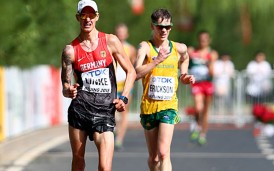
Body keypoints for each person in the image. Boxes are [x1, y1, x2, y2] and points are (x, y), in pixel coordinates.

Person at [60, 0, 136, 170]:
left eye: (91, 15)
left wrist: (123, 97)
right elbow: (65, 85)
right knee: (78, 160)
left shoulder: (110, 41)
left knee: (104, 167)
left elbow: (131, 71)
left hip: (105, 111)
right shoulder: (70, 50)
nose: (88, 19)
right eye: (83, 15)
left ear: (97, 17)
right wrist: (68, 91)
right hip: (80, 110)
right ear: (77, 18)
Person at [135, 8, 194, 171]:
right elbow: (135, 73)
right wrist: (156, 61)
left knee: (163, 153)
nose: (164, 30)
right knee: (154, 159)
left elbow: (185, 57)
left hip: (168, 106)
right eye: (159, 26)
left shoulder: (179, 47)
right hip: (149, 106)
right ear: (152, 26)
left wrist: (184, 75)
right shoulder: (145, 48)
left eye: (167, 27)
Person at [188, 30, 218, 145]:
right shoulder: (193, 51)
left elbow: (212, 73)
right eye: (201, 40)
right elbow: (184, 59)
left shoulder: (212, 53)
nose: (203, 42)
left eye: (205, 40)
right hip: (197, 83)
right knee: (198, 107)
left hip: (207, 83)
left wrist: (208, 61)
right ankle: (197, 125)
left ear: (208, 40)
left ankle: (203, 133)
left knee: (205, 111)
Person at [114, 23, 136, 150]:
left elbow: (132, 67)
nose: (121, 34)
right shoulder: (110, 46)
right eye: (119, 31)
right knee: (112, 112)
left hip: (125, 85)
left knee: (124, 111)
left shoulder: (131, 49)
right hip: (113, 85)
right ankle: (116, 129)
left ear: (126, 34)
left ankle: (119, 139)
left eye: (123, 32)